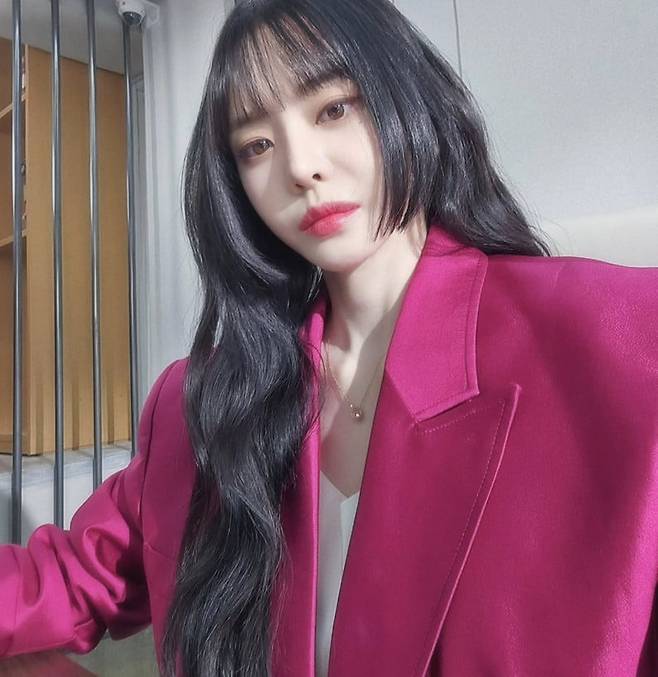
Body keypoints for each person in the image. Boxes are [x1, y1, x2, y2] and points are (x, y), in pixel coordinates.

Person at [2, 0, 657, 675]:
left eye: (334, 108)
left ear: (406, 96)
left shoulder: (627, 341)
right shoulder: (197, 405)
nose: (300, 167)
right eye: (256, 145)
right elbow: (66, 577)